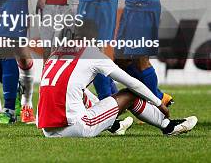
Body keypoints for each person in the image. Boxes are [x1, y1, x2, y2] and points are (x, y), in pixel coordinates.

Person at [37, 42, 197, 138]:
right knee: (129, 94)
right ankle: (168, 126)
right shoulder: (92, 54)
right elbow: (134, 84)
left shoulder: (56, 54)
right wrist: (158, 102)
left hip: (47, 129)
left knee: (81, 93)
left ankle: (114, 125)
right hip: (75, 128)